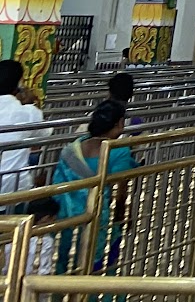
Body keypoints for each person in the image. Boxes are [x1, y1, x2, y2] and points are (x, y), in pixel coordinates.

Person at [53, 100, 138, 272]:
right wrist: (123, 217)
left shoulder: (74, 148)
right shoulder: (119, 151)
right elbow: (119, 193)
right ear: (120, 123)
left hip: (66, 221)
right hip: (98, 222)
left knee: (67, 266)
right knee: (100, 268)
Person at [0, 60, 42, 195]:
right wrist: (31, 104)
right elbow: (42, 135)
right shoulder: (27, 112)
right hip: (12, 186)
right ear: (19, 84)